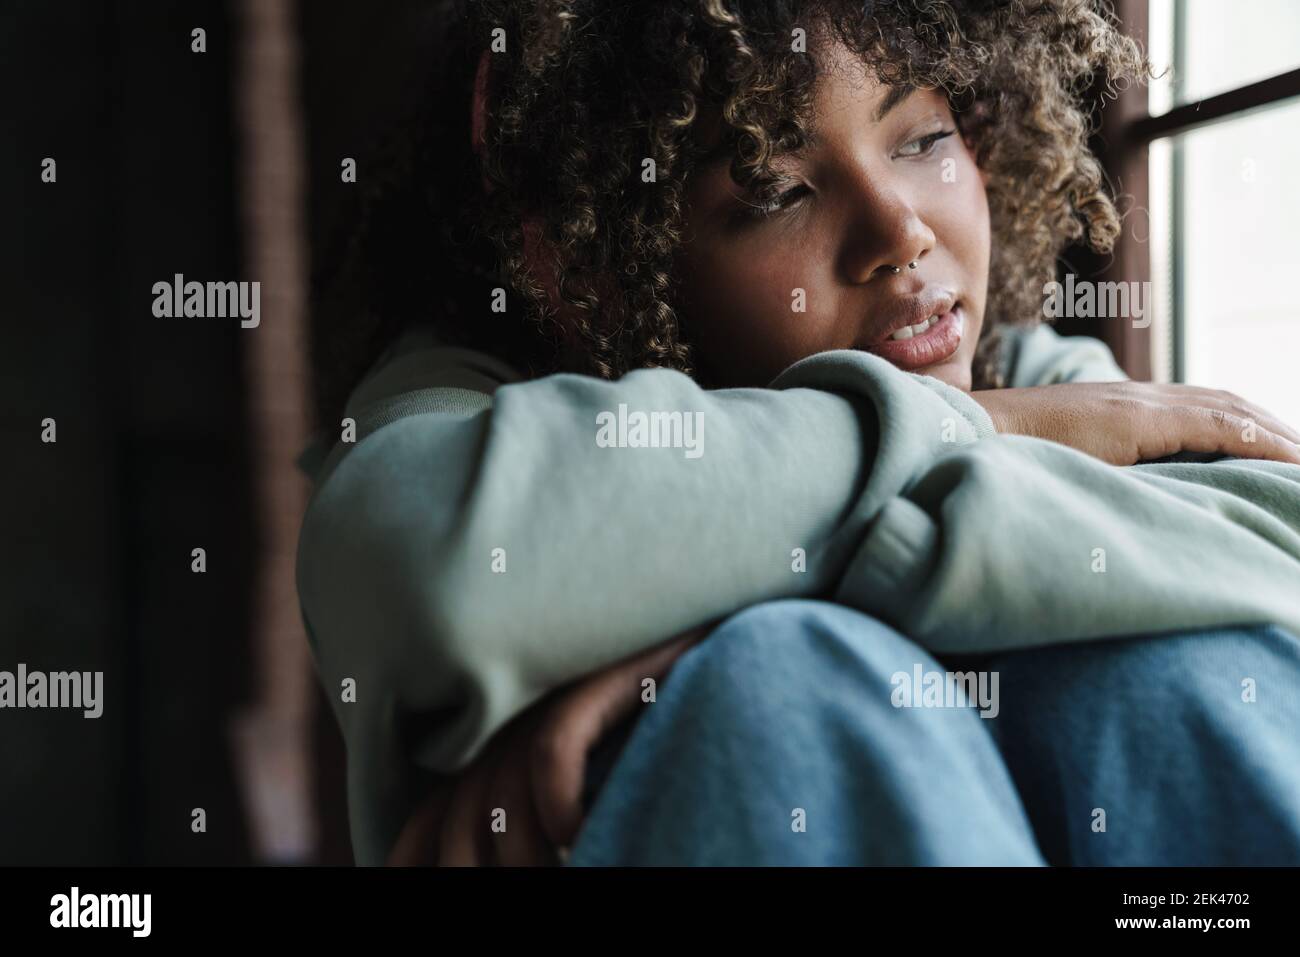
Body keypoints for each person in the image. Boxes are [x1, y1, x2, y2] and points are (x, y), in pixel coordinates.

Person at [297, 0, 1300, 866]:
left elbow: (1272, 542)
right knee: (774, 681)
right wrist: (982, 435)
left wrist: (708, 607)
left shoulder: (1018, 365)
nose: (898, 230)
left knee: (1159, 661)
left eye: (919, 140)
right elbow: (439, 567)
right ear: (585, 261)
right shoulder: (469, 391)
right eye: (775, 191)